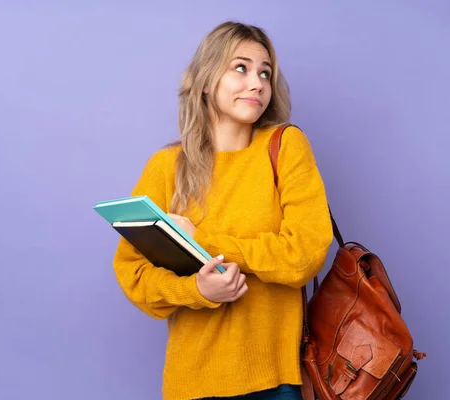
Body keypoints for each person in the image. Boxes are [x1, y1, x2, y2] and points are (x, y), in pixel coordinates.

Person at [112, 20, 333, 400]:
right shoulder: (165, 167)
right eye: (241, 68)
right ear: (204, 81)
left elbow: (305, 254)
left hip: (275, 381)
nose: (257, 83)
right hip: (193, 380)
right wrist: (196, 289)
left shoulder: (285, 147)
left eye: (265, 72)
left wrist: (204, 241)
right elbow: (133, 274)